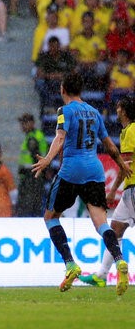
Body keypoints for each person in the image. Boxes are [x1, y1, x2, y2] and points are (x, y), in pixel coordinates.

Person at [32, 73, 131, 295]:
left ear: (62, 89)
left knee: (50, 218)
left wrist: (48, 159)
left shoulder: (64, 111)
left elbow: (59, 137)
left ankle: (70, 264)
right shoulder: (94, 112)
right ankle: (120, 260)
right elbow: (109, 145)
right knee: (101, 223)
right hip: (94, 170)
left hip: (72, 170)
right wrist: (122, 165)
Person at [80, 95, 135, 288]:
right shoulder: (127, 131)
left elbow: (125, 165)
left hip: (133, 189)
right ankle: (102, 274)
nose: (116, 110)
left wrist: (112, 192)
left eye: (119, 107)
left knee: (115, 230)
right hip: (130, 192)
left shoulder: (131, 131)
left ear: (125, 111)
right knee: (115, 230)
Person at [16, 113, 49, 217]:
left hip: (31, 177)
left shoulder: (32, 138)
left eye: (24, 123)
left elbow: (36, 158)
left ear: (32, 123)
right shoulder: (36, 135)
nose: (22, 125)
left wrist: (33, 176)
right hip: (33, 176)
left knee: (28, 206)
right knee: (33, 206)